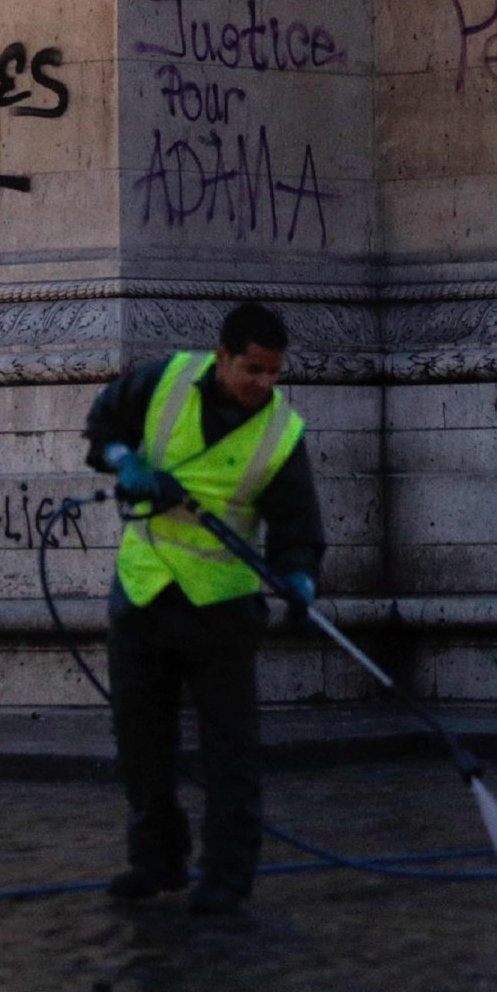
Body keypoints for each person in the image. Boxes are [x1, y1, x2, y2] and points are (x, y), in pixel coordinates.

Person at [85, 302, 324, 916]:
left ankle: (226, 877)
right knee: (140, 743)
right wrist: (126, 462)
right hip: (143, 593)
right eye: (253, 369)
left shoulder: (280, 434)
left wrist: (300, 577)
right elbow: (105, 421)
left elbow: (298, 525)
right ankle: (157, 861)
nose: (263, 384)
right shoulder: (165, 381)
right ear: (222, 357)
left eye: (274, 372)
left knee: (231, 753)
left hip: (220, 609)